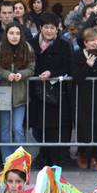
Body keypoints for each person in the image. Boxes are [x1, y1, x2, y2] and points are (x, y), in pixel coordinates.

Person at [27, 12, 71, 167]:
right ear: (40, 28)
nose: (49, 31)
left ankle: (50, 157)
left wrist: (52, 73)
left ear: (57, 29)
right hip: (35, 91)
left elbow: (68, 66)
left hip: (55, 93)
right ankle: (43, 154)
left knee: (52, 127)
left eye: (52, 28)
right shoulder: (31, 44)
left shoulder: (64, 45)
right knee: (37, 127)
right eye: (46, 27)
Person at [71, 28, 97, 171]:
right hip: (83, 96)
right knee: (84, 127)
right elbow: (76, 77)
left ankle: (96, 156)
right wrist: (87, 65)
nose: (96, 43)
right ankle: (83, 155)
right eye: (92, 40)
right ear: (85, 42)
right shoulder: (78, 55)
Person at [0, 23, 34, 162]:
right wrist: (7, 74)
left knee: (17, 128)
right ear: (6, 34)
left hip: (20, 94)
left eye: (17, 33)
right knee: (5, 129)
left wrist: (21, 74)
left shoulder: (27, 48)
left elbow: (31, 68)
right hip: (3, 94)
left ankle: (20, 160)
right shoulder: (0, 48)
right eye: (11, 33)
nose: (14, 36)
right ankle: (7, 159)